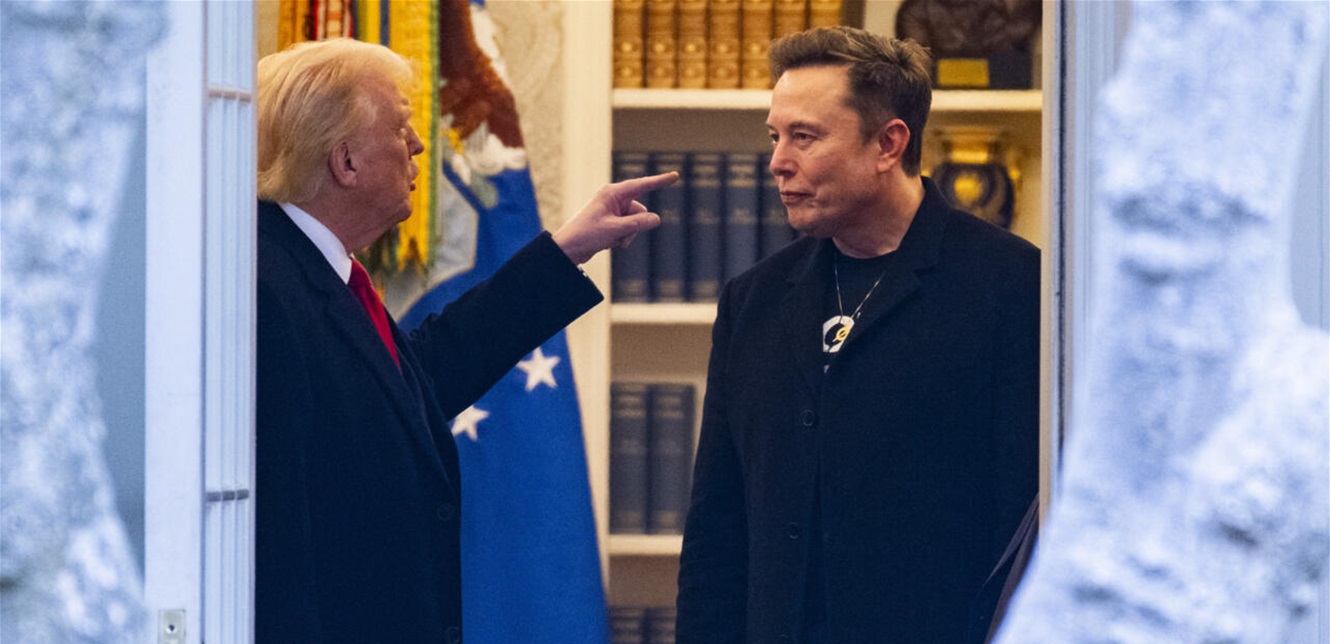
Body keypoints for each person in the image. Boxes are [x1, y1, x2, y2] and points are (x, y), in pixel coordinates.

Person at [253, 38, 674, 643]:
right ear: (345, 162)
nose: (418, 144)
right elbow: (279, 542)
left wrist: (566, 251)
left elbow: (412, 387)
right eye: (399, 127)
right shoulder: (268, 285)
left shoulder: (313, 271)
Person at [675, 26, 1039, 643]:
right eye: (775, 136)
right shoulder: (752, 300)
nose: (777, 161)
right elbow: (717, 531)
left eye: (805, 137)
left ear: (888, 144)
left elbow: (1022, 530)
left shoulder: (1011, 285)